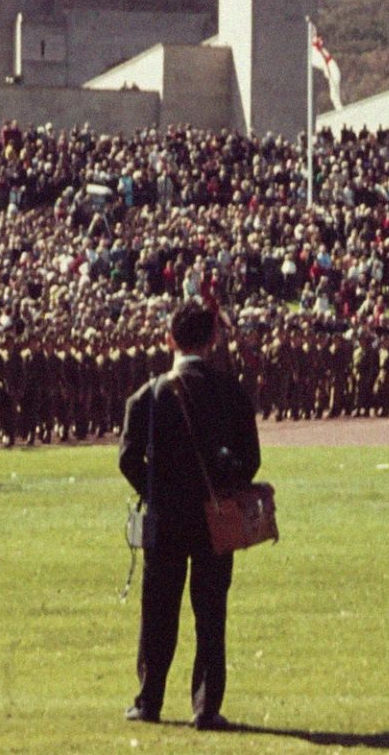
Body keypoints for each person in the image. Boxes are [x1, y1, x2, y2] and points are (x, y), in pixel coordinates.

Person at [118, 300, 261, 731]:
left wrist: (157, 492)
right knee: (211, 612)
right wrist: (220, 489)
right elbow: (250, 459)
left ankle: (149, 700)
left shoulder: (150, 393)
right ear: (212, 340)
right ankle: (206, 706)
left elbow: (127, 458)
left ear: (169, 340)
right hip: (215, 517)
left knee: (158, 611)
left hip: (166, 519)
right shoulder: (231, 390)